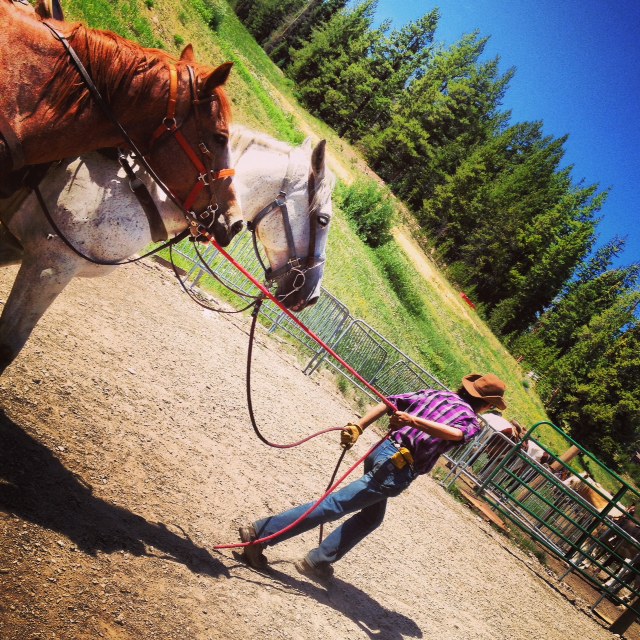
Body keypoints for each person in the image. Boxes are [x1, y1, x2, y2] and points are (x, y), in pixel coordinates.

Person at [238, 372, 507, 579]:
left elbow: (390, 403)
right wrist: (413, 422)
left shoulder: (436, 394)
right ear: (485, 404)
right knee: (335, 505)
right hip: (397, 468)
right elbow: (456, 435)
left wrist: (360, 425)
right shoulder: (469, 420)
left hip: (381, 452)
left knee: (370, 517)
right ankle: (259, 535)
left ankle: (318, 560)